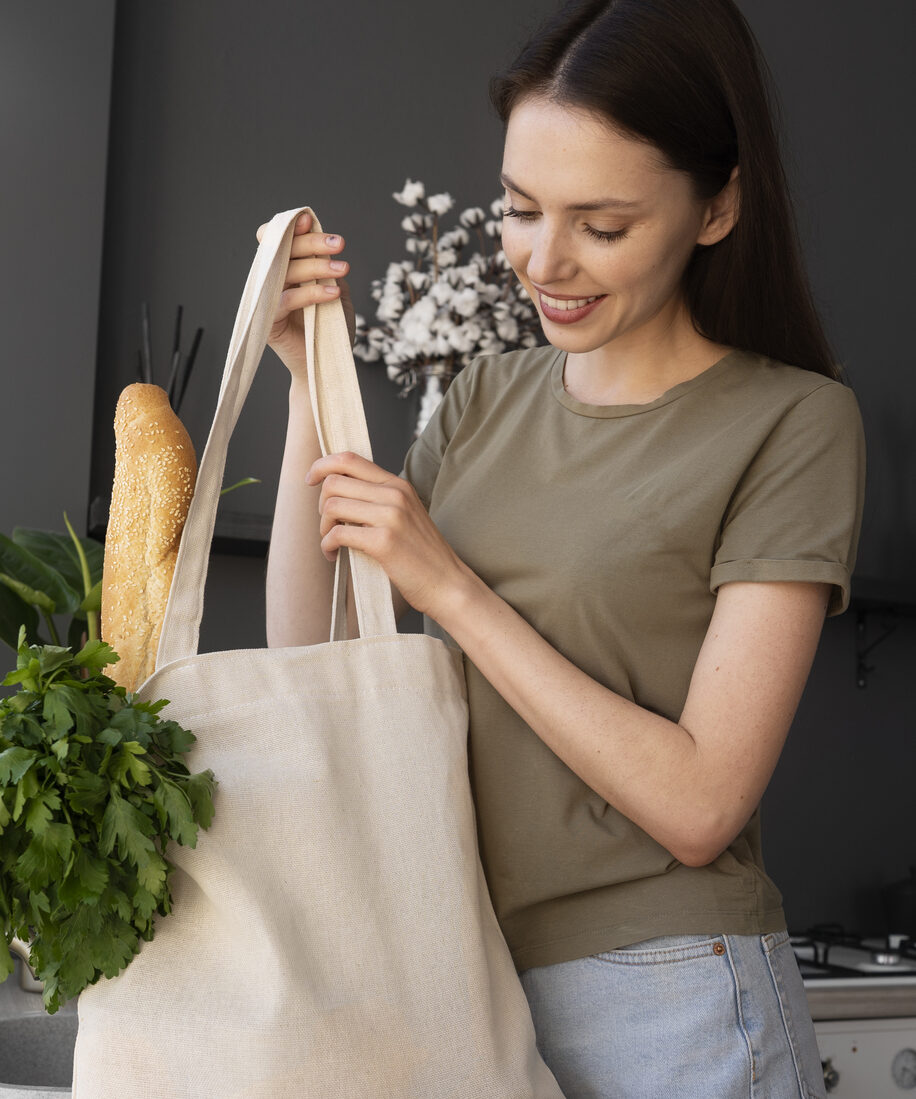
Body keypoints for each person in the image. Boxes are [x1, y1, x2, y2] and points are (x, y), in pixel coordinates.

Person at [259, 0, 864, 1094]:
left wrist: (448, 583)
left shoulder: (793, 423)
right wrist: (310, 384)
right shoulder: (486, 395)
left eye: (601, 224)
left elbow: (698, 805)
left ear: (716, 207)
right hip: (465, 981)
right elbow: (317, 657)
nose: (544, 261)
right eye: (520, 208)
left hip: (674, 995)